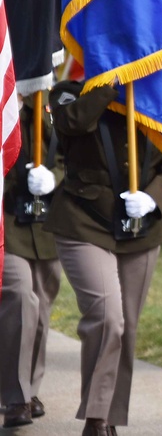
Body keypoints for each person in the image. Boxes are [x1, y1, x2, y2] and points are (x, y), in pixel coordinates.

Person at [43, 81, 162, 436]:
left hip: (140, 224)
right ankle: (96, 419)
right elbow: (72, 123)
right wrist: (107, 87)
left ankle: (110, 418)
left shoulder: (155, 90)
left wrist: (155, 197)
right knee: (106, 316)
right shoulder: (70, 90)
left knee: (126, 326)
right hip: (83, 219)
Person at [1, 96, 61, 429]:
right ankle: (15, 396)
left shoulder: (53, 101)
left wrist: (54, 175)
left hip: (46, 224)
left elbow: (70, 151)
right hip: (6, 221)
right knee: (21, 296)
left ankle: (30, 388)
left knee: (40, 309)